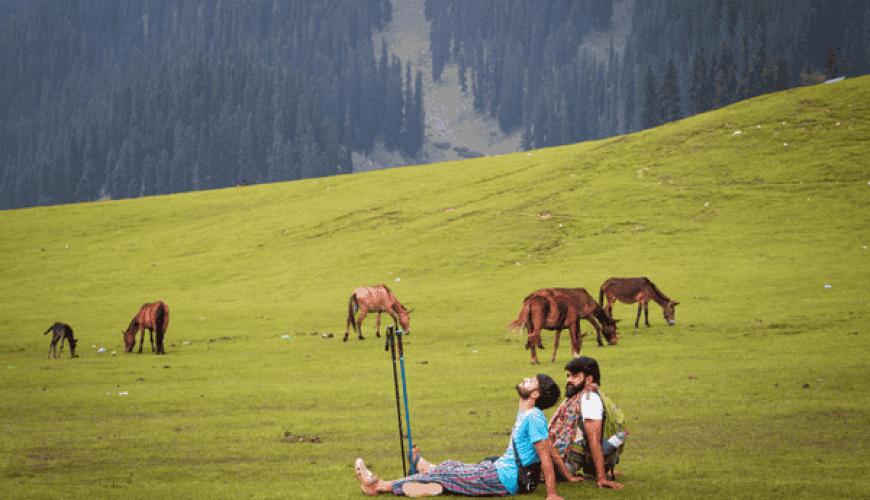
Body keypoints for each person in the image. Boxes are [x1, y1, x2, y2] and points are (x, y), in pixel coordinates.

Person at [355, 374, 584, 498]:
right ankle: (426, 471)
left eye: (531, 381)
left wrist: (552, 494)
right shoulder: (527, 412)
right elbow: (552, 449)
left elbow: (546, 454)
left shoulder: (533, 416)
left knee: (446, 471)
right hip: (502, 471)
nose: (525, 379)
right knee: (451, 467)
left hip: (505, 479)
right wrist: (569, 477)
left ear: (534, 393)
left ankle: (379, 486)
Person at [547, 356, 624, 489]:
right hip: (562, 459)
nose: (569, 380)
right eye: (568, 375)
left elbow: (594, 440)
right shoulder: (579, 397)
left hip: (565, 464)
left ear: (588, 379)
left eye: (575, 376)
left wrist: (601, 478)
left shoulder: (589, 399)